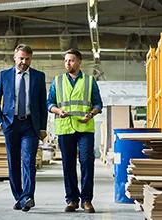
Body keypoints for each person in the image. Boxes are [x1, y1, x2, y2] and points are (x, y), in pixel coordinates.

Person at [0, 44, 47, 212]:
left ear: (31, 59)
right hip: (11, 124)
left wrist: (42, 127)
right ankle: (19, 197)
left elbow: (42, 104)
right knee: (13, 162)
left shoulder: (38, 76)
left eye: (27, 59)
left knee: (29, 161)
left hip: (30, 125)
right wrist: (0, 121)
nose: (24, 62)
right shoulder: (4, 75)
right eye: (21, 58)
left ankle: (28, 196)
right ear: (15, 57)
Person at [47, 49, 103, 213]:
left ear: (79, 62)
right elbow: (49, 103)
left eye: (71, 60)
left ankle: (87, 200)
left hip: (85, 127)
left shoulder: (89, 81)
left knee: (86, 162)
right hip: (65, 128)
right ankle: (72, 199)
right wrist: (58, 111)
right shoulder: (57, 81)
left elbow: (98, 104)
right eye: (66, 61)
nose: (68, 64)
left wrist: (92, 114)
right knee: (68, 165)